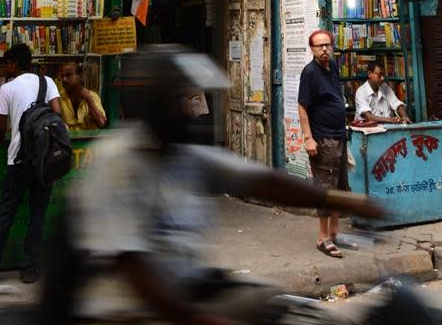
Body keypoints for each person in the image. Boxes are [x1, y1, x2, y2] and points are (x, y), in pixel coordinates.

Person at [42, 45, 380, 325]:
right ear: (155, 103)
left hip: (186, 292)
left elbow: (263, 182)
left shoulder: (182, 156)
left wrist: (346, 200)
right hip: (129, 310)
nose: (188, 110)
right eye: (179, 100)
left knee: (283, 309)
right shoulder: (118, 163)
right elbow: (136, 273)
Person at [0, 43, 61, 285]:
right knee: (37, 215)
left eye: (6, 63)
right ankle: (30, 269)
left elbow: (0, 130)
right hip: (44, 159)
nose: (5, 68)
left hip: (18, 159)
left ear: (13, 64)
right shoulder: (47, 82)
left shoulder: (7, 88)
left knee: (5, 215)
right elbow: (57, 116)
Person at [297, 29, 355, 259]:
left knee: (340, 189)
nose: (324, 49)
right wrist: (308, 138)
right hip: (323, 139)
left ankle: (334, 232)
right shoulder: (310, 73)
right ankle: (323, 238)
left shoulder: (333, 69)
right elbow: (302, 106)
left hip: (339, 136)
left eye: (327, 45)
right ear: (312, 49)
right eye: (319, 46)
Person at [59, 62, 107, 130]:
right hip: (69, 140)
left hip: (90, 139)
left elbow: (101, 123)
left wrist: (89, 100)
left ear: (80, 76)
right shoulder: (59, 98)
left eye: (68, 75)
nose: (64, 79)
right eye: (62, 76)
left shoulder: (92, 96)